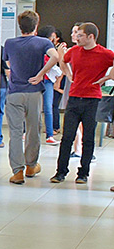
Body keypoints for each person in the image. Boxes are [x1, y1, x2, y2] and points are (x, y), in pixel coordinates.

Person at [51, 22, 114, 184]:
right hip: (74, 98)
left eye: (80, 36)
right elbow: (62, 59)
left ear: (90, 37)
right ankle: (61, 171)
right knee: (67, 137)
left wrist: (107, 77)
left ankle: (83, 173)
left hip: (92, 100)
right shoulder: (74, 51)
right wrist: (68, 74)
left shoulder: (104, 54)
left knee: (88, 138)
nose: (76, 38)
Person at [3, 11, 58, 185]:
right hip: (34, 92)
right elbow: (55, 57)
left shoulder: (10, 43)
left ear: (20, 26)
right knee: (33, 131)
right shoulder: (43, 42)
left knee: (16, 133)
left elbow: (9, 64)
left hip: (14, 93)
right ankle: (31, 166)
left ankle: (17, 171)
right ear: (36, 25)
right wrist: (41, 74)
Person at [38, 25, 62, 144]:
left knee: (48, 107)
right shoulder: (40, 46)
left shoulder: (50, 47)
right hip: (39, 80)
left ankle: (50, 134)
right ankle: (27, 131)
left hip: (47, 80)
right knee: (36, 107)